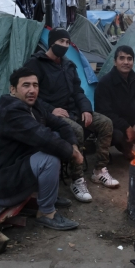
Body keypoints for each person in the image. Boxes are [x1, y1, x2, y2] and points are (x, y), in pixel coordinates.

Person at [24, 28, 118, 203]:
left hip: (73, 111)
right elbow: (31, 95)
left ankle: (99, 170)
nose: (65, 46)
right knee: (75, 131)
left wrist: (85, 109)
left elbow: (78, 91)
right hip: (49, 115)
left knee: (105, 123)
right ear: (52, 42)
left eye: (67, 42)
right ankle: (77, 179)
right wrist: (51, 110)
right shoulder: (35, 64)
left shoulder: (68, 65)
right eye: (61, 42)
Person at [0, 68, 80, 231]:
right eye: (26, 85)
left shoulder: (35, 105)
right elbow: (43, 137)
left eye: (35, 85)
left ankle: (50, 197)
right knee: (50, 157)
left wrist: (73, 144)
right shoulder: (12, 111)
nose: (32, 90)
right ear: (13, 89)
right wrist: (72, 153)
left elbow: (60, 123)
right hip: (1, 186)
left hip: (15, 168)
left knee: (55, 137)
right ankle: (46, 213)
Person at [95, 46, 135, 160]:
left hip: (132, 121)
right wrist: (127, 127)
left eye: (129, 59)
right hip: (113, 124)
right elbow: (104, 112)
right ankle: (102, 148)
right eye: (122, 58)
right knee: (117, 135)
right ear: (115, 62)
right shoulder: (105, 83)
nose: (126, 62)